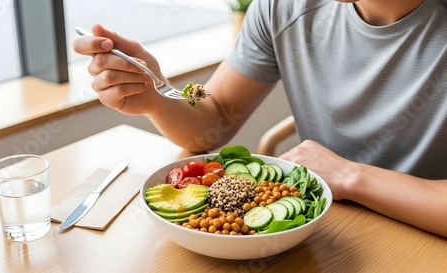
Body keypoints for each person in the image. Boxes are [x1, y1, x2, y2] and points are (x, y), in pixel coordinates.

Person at [73, 0, 447, 237]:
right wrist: (154, 97)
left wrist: (350, 176)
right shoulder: (281, 8)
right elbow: (214, 118)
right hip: (323, 232)